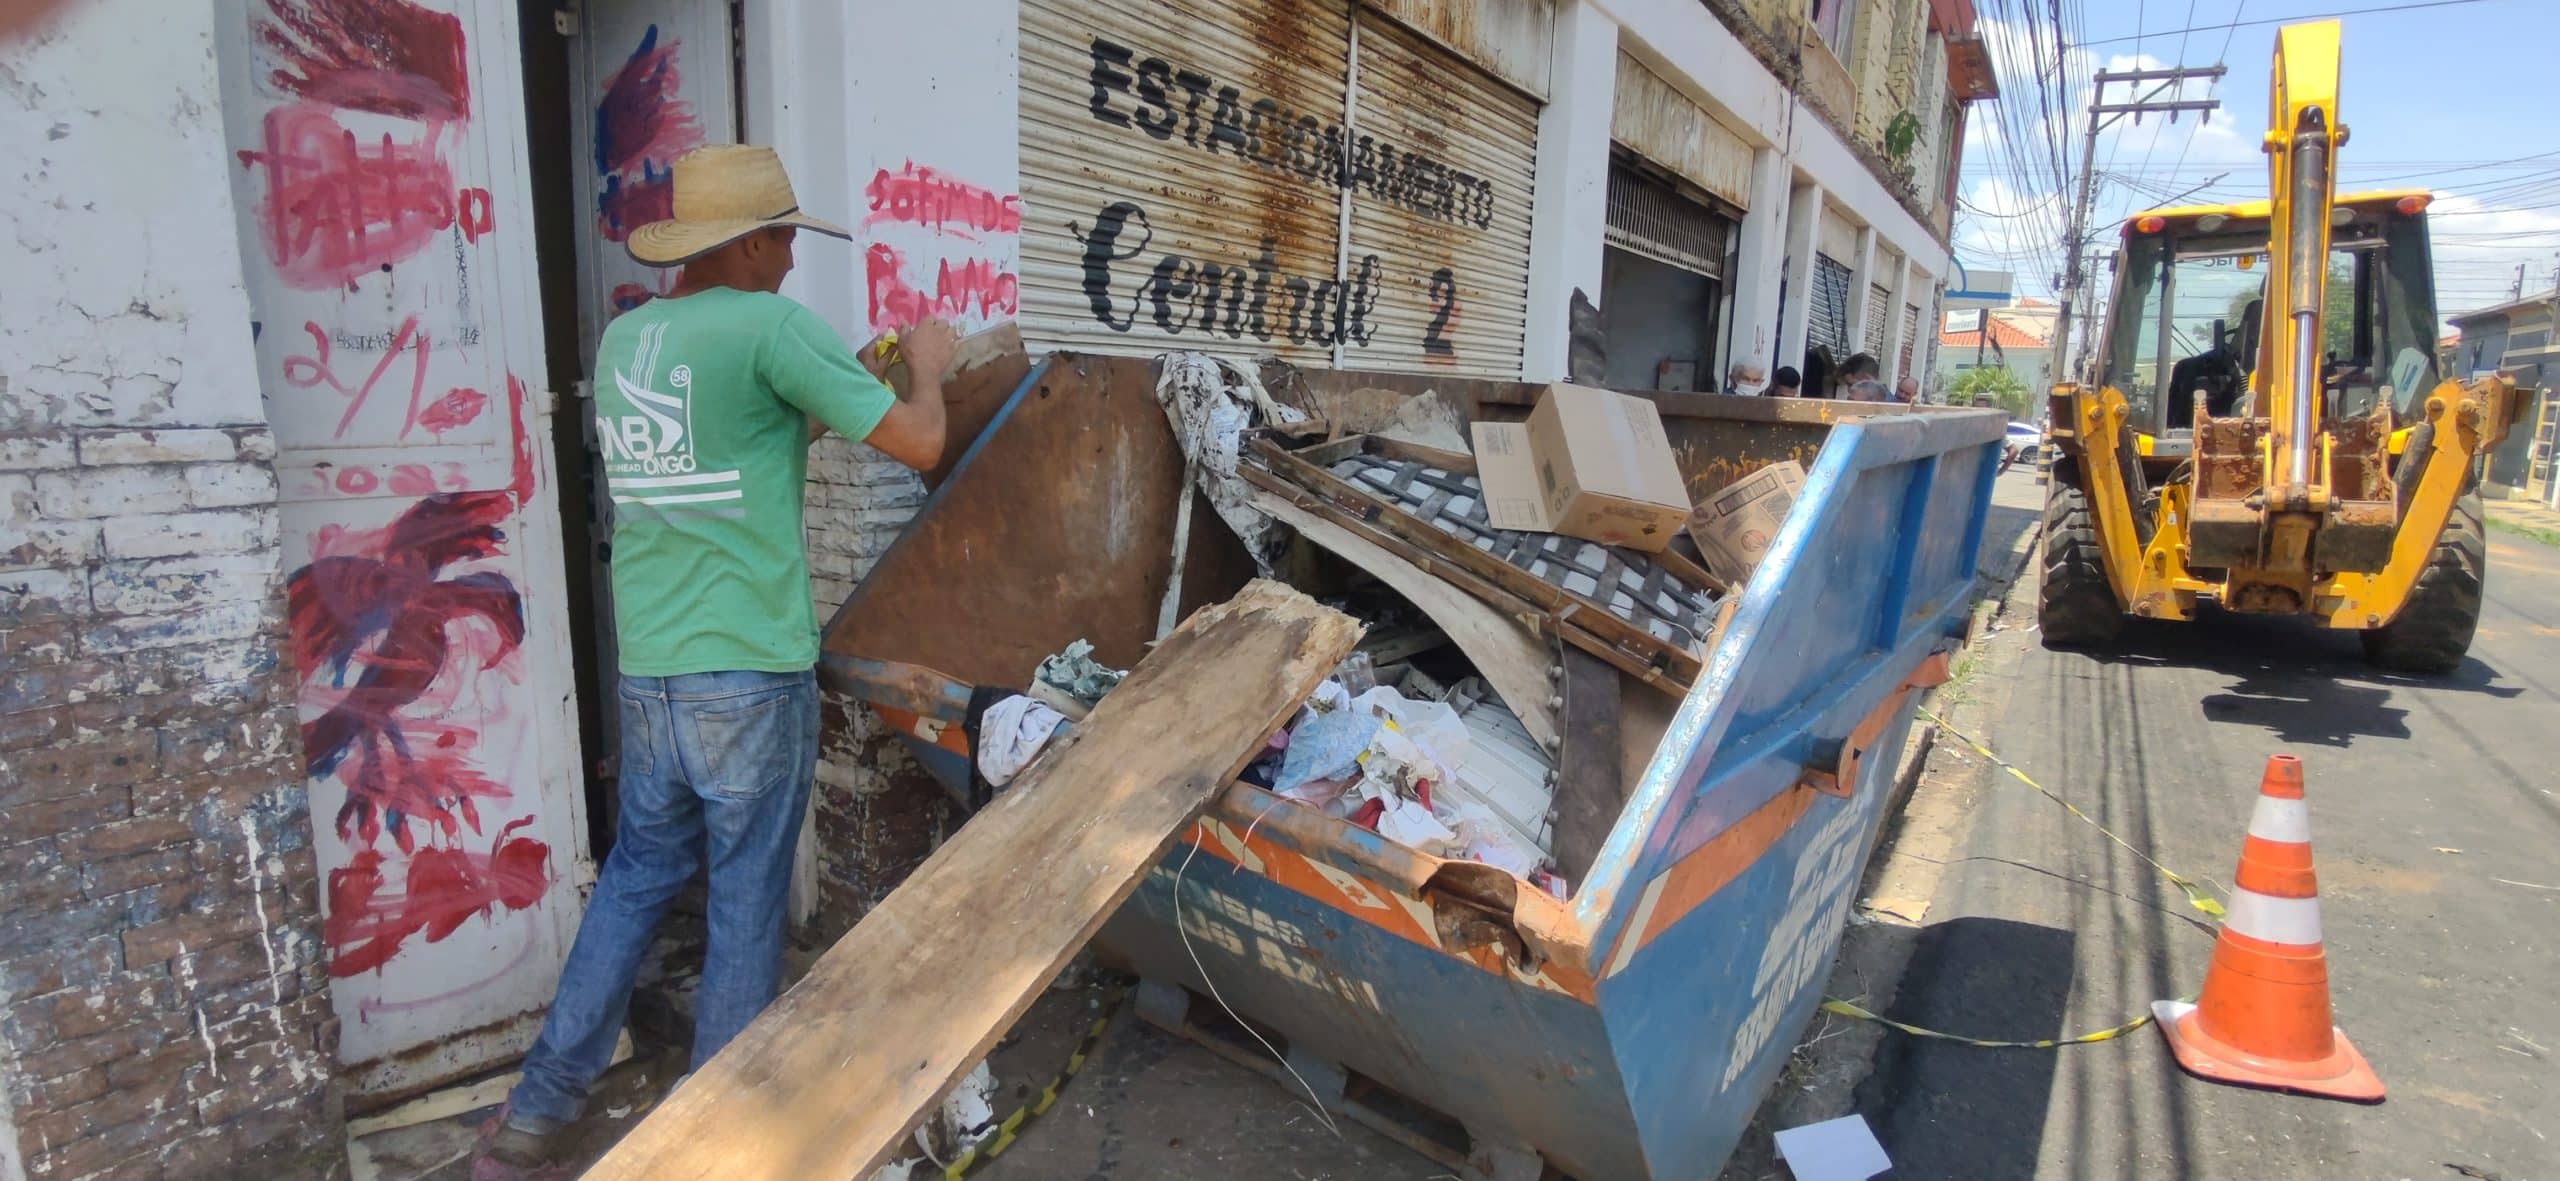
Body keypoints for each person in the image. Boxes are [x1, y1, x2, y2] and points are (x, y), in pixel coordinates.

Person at [479, 144, 958, 1172]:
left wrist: (845, 378)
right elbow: (920, 443)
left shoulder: (627, 343)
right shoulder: (772, 327)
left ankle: (536, 1106)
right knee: (745, 893)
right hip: (745, 661)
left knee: (636, 876)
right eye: (784, 236)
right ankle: (720, 1135)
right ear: (746, 242)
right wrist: (926, 363)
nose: (792, 258)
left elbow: (732, 440)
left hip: (652, 665)